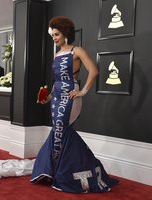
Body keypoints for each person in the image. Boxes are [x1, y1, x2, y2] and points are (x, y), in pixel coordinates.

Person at [30, 16, 119, 193]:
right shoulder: (56, 54)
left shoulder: (77, 51)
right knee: (58, 132)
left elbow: (94, 71)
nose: (54, 38)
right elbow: (57, 81)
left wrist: (83, 91)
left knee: (61, 130)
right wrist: (47, 98)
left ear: (65, 33)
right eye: (52, 35)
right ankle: (59, 171)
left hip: (71, 97)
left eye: (57, 34)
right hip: (56, 97)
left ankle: (70, 173)